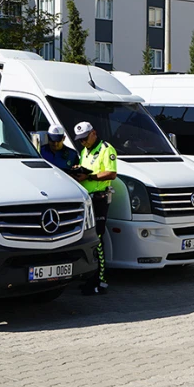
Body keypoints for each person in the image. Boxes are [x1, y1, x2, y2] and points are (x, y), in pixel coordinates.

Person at [74, 121, 118, 296]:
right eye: (80, 140)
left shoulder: (106, 149)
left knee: (98, 239)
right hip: (87, 199)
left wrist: (89, 176)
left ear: (94, 133)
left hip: (99, 199)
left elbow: (111, 173)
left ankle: (101, 281)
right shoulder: (85, 151)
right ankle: (91, 276)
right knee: (89, 239)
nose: (83, 142)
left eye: (85, 138)